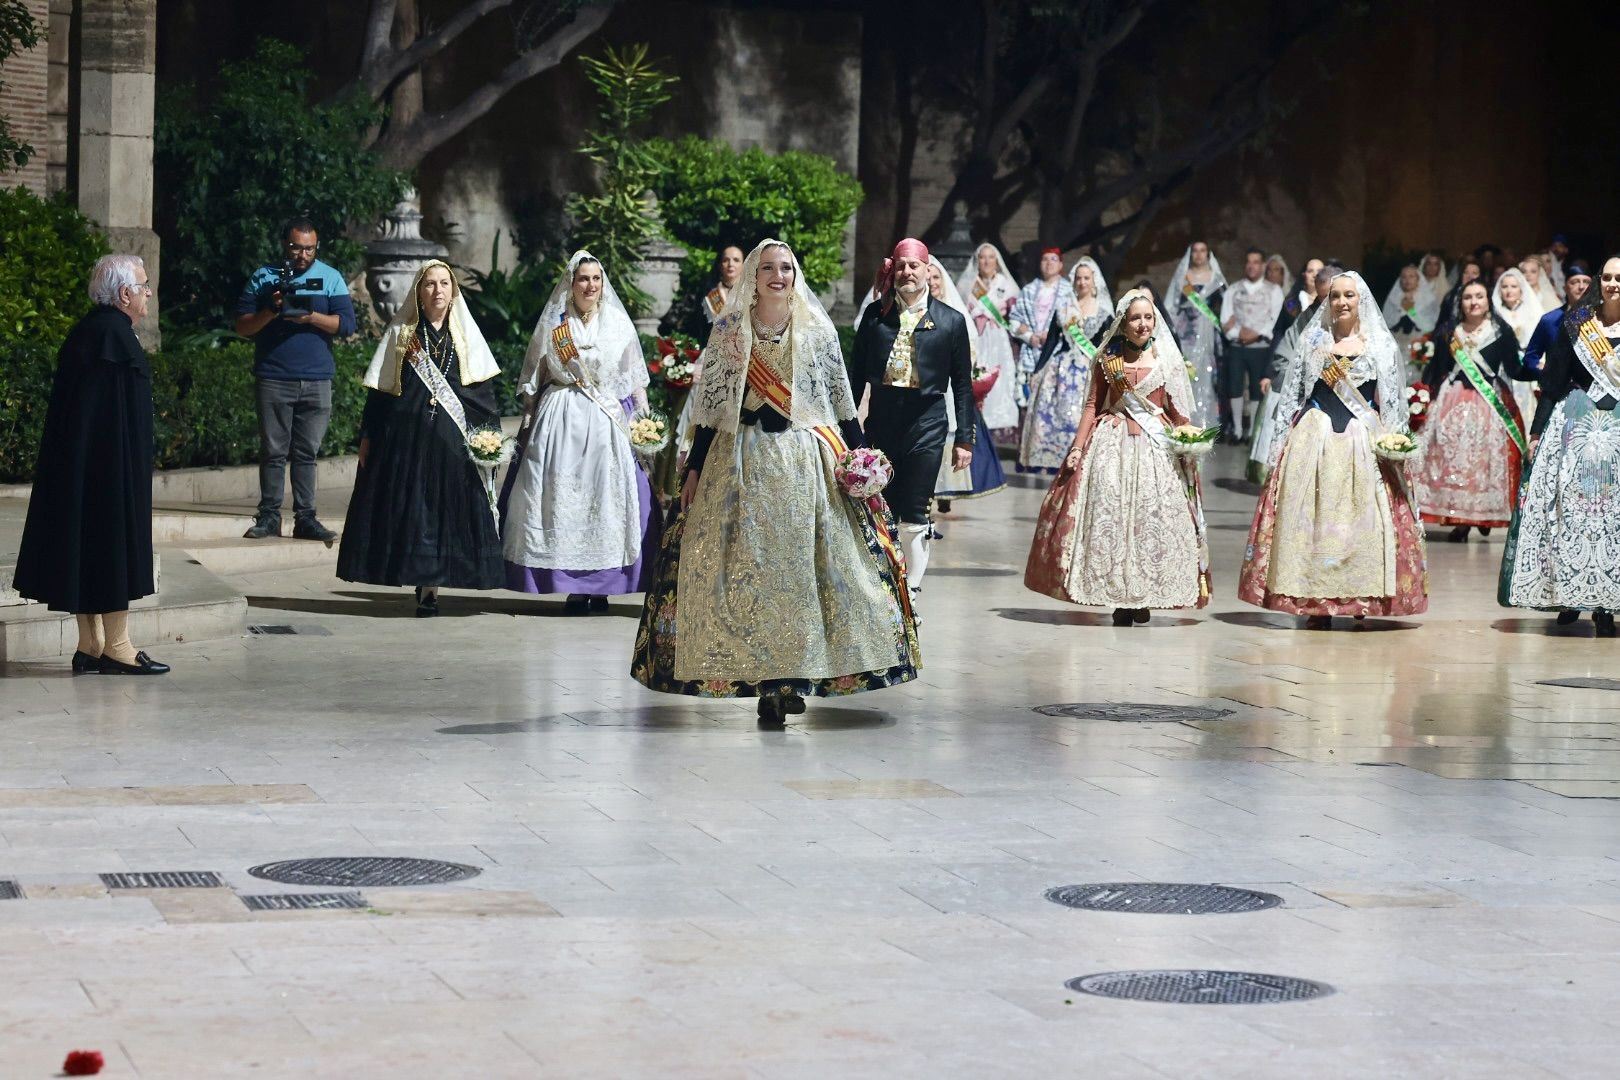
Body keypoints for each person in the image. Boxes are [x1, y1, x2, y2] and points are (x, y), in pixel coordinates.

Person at [631, 240, 919, 723]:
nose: (778, 276)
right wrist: (696, 468)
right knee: (751, 571)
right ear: (753, 275)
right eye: (768, 268)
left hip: (803, 466)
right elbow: (711, 408)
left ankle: (795, 674)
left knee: (801, 572)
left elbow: (841, 403)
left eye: (786, 268)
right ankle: (765, 680)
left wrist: (862, 458)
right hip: (739, 462)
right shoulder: (729, 328)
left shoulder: (815, 328)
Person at [1238, 270, 1427, 629]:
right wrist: (1281, 447)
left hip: (1362, 441)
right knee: (1313, 521)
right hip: (1315, 437)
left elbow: (1391, 405)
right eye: (1335, 296)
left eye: (1349, 296)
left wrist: (1395, 446)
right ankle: (1314, 602)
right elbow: (1294, 397)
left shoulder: (1380, 346)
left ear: (1361, 301)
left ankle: (1361, 600)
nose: (1341, 302)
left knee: (1362, 523)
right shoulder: (1313, 343)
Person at [11, 255, 168, 675]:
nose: (148, 292)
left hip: (87, 469)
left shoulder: (89, 332)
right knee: (110, 542)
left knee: (90, 543)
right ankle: (117, 646)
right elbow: (111, 420)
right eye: (143, 285)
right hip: (109, 471)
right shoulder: (112, 336)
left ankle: (91, 644)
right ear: (124, 295)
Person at [1024, 289, 1210, 625]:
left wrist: (1188, 440)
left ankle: (1145, 594)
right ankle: (1117, 596)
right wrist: (1078, 447)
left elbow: (1178, 412)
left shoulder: (1167, 360)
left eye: (1148, 317)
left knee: (1149, 520)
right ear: (1123, 324)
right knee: (1113, 515)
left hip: (1155, 450)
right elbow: (1092, 405)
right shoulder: (1107, 361)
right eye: (1136, 318)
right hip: (1111, 444)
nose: (1142, 324)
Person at [336, 261, 505, 615]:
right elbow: (380, 392)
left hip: (450, 445)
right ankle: (420, 580)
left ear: (453, 290)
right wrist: (367, 437)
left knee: (444, 514)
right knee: (414, 513)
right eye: (430, 284)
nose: (438, 290)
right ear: (419, 290)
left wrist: (488, 439)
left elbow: (481, 394)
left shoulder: (466, 336)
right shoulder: (403, 335)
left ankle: (433, 587)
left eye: (445, 283)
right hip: (406, 443)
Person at [501, 251, 659, 614]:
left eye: (596, 279)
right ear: (571, 285)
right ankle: (570, 585)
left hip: (606, 425)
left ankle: (603, 585)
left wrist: (646, 421)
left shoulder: (618, 323)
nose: (590, 285)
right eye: (583, 279)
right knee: (561, 498)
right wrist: (528, 416)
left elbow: (635, 379)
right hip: (560, 420)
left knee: (605, 500)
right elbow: (535, 376)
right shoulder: (555, 325)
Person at [849, 238, 974, 606]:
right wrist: (846, 433)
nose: (907, 272)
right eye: (901, 265)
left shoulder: (951, 322)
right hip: (882, 423)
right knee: (881, 505)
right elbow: (855, 378)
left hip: (928, 424)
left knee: (916, 508)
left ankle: (912, 590)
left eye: (914, 266)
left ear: (927, 272)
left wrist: (964, 438)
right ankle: (882, 581)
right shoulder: (875, 317)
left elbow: (963, 385)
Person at [1500, 255, 1620, 635]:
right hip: (1576, 426)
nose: (1613, 284)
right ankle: (1569, 595)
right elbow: (1553, 383)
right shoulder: (1576, 324)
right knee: (1571, 511)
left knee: (1611, 517)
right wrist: (1536, 434)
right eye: (1608, 277)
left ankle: (1607, 603)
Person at [233, 217, 356, 542]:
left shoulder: (330, 277)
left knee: (306, 453)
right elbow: (242, 327)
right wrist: (271, 310)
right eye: (296, 248)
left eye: (309, 249)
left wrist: (312, 317)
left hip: (317, 378)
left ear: (317, 247)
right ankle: (269, 517)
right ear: (284, 245)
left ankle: (306, 519)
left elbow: (346, 325)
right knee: (273, 451)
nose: (302, 255)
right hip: (274, 375)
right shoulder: (265, 276)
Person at [1413, 279, 1533, 543]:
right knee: (1453, 459)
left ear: (1488, 301)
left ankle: (1483, 515)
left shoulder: (1501, 333)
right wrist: (1421, 397)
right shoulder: (1448, 333)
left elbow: (1514, 369)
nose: (1474, 302)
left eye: (1479, 296)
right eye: (1468, 297)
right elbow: (1437, 368)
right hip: (1452, 401)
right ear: (1460, 302)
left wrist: (1544, 372)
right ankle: (1461, 520)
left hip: (1490, 403)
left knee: (1484, 460)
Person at [1019, 256, 1112, 472]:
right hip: (1059, 368)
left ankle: (1078, 455)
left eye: (1086, 278)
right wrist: (1038, 370)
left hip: (1088, 371)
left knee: (1080, 415)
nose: (1082, 282)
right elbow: (1051, 341)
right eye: (1078, 278)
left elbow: (1107, 346)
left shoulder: (1104, 312)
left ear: (1093, 281)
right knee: (1053, 414)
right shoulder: (1064, 308)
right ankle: (1052, 459)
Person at [927, 257, 1005, 504]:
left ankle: (944, 491)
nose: (932, 282)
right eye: (927, 277)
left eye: (936, 277)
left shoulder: (957, 312)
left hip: (950, 385)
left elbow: (971, 349)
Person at [1251, 258, 1332, 483]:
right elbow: (1282, 340)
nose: (1327, 305)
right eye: (1322, 299)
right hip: (1309, 404)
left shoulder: (1355, 323)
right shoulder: (1295, 307)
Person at [956, 242, 1022, 434]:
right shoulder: (967, 283)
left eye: (990, 257)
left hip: (999, 338)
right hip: (975, 337)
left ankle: (997, 427)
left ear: (997, 261)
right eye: (982, 257)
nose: (986, 261)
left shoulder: (1006, 284)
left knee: (1000, 380)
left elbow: (1015, 316)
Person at [1220, 247, 1285, 442]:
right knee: (1235, 386)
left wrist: (1257, 334)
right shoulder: (1233, 289)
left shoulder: (1273, 290)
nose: (1251, 266)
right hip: (1238, 347)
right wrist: (1237, 333)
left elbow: (1275, 318)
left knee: (1258, 388)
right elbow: (1226, 318)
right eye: (1249, 262)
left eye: (1256, 262)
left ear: (1262, 265)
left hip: (1261, 347)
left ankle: (1252, 431)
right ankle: (1238, 429)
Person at [1166, 241, 1226, 425]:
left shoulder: (1216, 278)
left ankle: (1205, 420)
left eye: (1202, 251)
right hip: (1187, 334)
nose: (1199, 255)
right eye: (1195, 251)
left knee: (1207, 374)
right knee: (1185, 372)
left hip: (1210, 336)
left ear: (1208, 254)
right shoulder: (1183, 278)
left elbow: (1225, 307)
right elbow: (1172, 305)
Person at [1009, 247, 1075, 407]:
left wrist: (1052, 335)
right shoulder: (1028, 290)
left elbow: (1074, 322)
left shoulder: (1070, 291)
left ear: (1060, 264)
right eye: (1045, 259)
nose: (1048, 263)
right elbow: (1014, 321)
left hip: (1057, 352)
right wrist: (1030, 336)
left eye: (1053, 259)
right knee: (1030, 401)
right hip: (1031, 352)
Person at [1525, 261, 1591, 373]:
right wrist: (1543, 371)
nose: (1581, 286)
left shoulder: (1602, 317)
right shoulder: (1550, 320)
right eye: (1574, 282)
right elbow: (1531, 356)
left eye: (1586, 282)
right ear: (1565, 287)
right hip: (1558, 386)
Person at [1381, 264, 1440, 357]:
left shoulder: (1428, 300)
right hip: (1396, 345)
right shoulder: (1393, 298)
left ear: (1418, 279)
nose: (1407, 280)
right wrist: (1401, 310)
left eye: (1411, 276)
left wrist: (1411, 310)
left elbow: (1430, 326)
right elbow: (1386, 322)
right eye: (1404, 277)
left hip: (1420, 345)